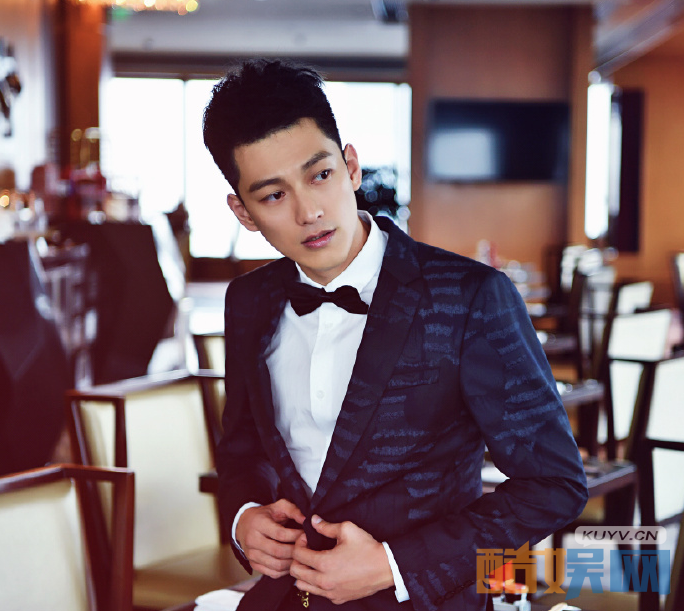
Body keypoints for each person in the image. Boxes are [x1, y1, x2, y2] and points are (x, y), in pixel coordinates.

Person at [202, 59, 588, 611]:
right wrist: (245, 518)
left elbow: (555, 485)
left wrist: (394, 565)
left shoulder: (471, 297)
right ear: (243, 212)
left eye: (320, 175)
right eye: (273, 196)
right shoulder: (248, 301)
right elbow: (242, 452)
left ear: (351, 166)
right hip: (290, 598)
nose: (310, 212)